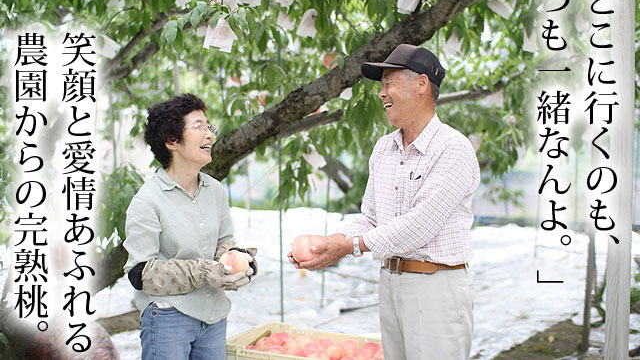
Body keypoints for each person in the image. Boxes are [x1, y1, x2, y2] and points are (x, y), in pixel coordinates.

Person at [289, 44, 480, 360]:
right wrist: (331, 242)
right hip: (390, 280)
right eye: (382, 85)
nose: (381, 93)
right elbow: (371, 217)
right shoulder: (385, 148)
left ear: (420, 84)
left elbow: (420, 226)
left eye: (389, 83)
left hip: (435, 288)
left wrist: (349, 247)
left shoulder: (452, 149)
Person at [123, 93, 258, 360]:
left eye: (209, 127)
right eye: (198, 127)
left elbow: (224, 242)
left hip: (214, 315)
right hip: (167, 317)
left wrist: (239, 260)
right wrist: (206, 271)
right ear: (172, 141)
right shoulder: (148, 201)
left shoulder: (215, 190)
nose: (209, 134)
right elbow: (140, 273)